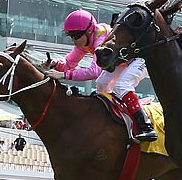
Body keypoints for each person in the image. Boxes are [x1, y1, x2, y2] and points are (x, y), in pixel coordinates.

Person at [43, 8, 156, 142]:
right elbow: (69, 63)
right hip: (122, 62)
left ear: (89, 30)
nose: (74, 40)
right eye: (71, 36)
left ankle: (146, 127)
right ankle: (115, 120)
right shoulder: (84, 39)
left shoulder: (100, 39)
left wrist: (64, 75)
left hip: (141, 58)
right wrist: (55, 63)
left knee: (121, 85)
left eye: (76, 36)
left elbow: (95, 71)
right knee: (102, 85)